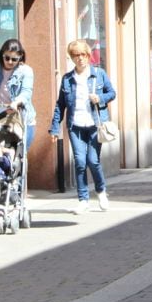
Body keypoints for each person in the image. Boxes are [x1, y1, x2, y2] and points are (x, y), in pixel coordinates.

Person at [49, 39, 116, 214]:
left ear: (88, 55)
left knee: (93, 161)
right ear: (71, 58)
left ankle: (101, 191)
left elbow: (112, 93)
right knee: (79, 162)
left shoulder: (99, 74)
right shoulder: (67, 79)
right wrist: (55, 128)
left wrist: (100, 99)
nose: (80, 59)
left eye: (83, 55)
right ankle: (83, 200)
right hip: (75, 125)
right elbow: (60, 105)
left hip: (95, 124)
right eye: (76, 55)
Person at [0, 38, 36, 147]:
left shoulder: (26, 71)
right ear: (1, 55)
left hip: (21, 119)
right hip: (0, 117)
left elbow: (26, 92)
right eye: (7, 58)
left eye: (14, 59)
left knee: (18, 155)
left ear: (20, 57)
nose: (10, 62)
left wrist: (17, 102)